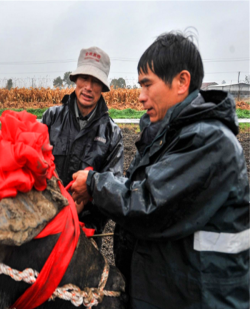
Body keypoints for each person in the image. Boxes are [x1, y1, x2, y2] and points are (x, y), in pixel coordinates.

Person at [72, 32, 249, 308]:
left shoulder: (208, 142)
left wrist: (94, 183)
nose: (140, 97)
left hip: (199, 298)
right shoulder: (165, 136)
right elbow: (131, 185)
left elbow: (146, 203)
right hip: (165, 291)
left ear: (181, 81)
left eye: (147, 85)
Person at [42, 46, 124, 240]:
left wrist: (90, 193)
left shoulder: (112, 134)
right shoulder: (51, 118)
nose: (88, 87)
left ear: (103, 88)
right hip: (45, 223)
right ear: (75, 80)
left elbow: (113, 187)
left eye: (96, 82)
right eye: (84, 78)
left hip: (86, 233)